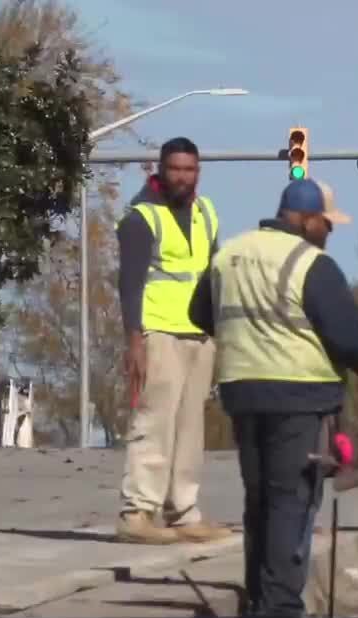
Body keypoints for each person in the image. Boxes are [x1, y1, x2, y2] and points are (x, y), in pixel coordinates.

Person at [187, 178, 358, 618]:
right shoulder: (311, 263)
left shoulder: (228, 254)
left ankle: (260, 594)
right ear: (306, 220)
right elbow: (347, 337)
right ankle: (281, 605)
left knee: (259, 496)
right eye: (326, 223)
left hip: (242, 391)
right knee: (292, 497)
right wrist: (353, 359)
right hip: (300, 394)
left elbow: (198, 313)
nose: (330, 232)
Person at [115, 137, 232, 544]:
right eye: (176, 169)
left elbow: (213, 274)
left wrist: (221, 332)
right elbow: (129, 285)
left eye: (190, 169)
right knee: (153, 423)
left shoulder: (206, 212)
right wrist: (135, 341)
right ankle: (137, 513)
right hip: (158, 333)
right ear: (161, 170)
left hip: (199, 335)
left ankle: (183, 511)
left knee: (189, 428)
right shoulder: (141, 218)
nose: (183, 176)